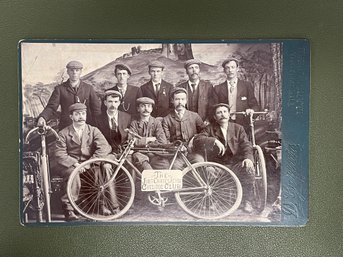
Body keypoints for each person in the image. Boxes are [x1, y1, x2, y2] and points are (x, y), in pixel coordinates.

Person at [54, 103, 116, 221]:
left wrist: (89, 163)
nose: (81, 117)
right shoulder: (63, 133)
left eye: (83, 114)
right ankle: (69, 209)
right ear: (71, 116)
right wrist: (75, 164)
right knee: (73, 173)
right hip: (70, 165)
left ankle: (99, 204)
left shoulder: (93, 130)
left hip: (88, 163)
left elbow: (105, 147)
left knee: (97, 170)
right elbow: (59, 154)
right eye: (77, 114)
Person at [193, 103, 256, 213]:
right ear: (215, 117)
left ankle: (247, 201)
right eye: (219, 112)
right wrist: (214, 141)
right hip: (218, 165)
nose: (222, 114)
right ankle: (216, 199)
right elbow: (198, 139)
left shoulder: (238, 128)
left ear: (229, 114)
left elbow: (246, 145)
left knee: (248, 168)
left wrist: (248, 158)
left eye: (225, 112)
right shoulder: (210, 129)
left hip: (236, 164)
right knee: (209, 170)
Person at [37, 61, 101, 130]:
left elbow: (96, 110)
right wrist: (43, 117)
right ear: (67, 72)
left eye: (77, 70)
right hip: (66, 128)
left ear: (81, 72)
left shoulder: (88, 88)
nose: (74, 72)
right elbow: (51, 107)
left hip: (86, 128)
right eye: (71, 70)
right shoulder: (60, 89)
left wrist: (97, 127)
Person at [162, 87, 205, 170]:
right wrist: (175, 147)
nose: (180, 102)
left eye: (182, 99)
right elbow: (166, 140)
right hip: (177, 154)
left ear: (186, 101)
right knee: (175, 168)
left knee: (200, 163)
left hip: (194, 152)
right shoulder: (167, 119)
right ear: (172, 101)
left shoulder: (194, 116)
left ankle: (198, 183)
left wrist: (194, 139)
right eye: (177, 99)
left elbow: (204, 131)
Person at [212, 58, 259, 130]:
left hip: (243, 125)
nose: (230, 70)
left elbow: (255, 105)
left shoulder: (246, 86)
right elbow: (214, 109)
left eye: (232, 67)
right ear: (224, 70)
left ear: (237, 69)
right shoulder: (217, 88)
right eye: (227, 68)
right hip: (224, 125)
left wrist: (252, 111)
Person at [129, 97, 169, 171]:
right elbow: (131, 140)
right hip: (139, 153)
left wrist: (145, 144)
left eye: (148, 106)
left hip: (155, 152)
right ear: (138, 109)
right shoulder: (134, 123)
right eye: (143, 106)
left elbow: (162, 141)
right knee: (146, 168)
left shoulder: (156, 122)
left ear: (151, 109)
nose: (146, 109)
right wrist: (148, 139)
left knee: (164, 165)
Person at [177, 59, 214, 123]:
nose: (194, 70)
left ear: (199, 70)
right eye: (191, 68)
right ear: (187, 71)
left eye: (196, 68)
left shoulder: (208, 86)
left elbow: (212, 106)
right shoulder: (180, 87)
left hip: (203, 122)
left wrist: (208, 119)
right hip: (186, 123)